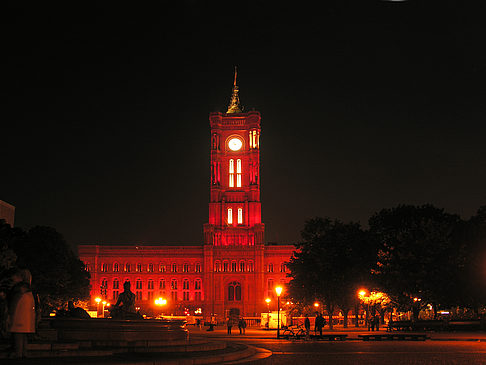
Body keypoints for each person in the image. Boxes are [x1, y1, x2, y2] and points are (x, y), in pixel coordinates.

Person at [7, 269, 36, 359]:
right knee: (23, 334)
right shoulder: (29, 289)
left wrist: (10, 314)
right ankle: (24, 352)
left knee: (18, 333)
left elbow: (14, 301)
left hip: (19, 313)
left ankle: (18, 353)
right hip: (27, 315)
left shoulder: (18, 288)